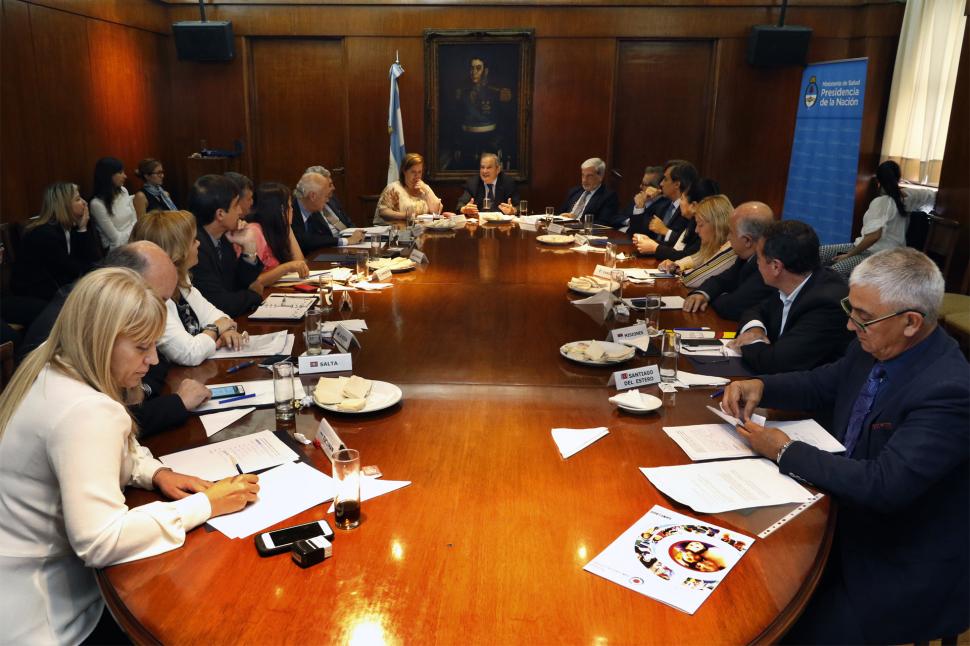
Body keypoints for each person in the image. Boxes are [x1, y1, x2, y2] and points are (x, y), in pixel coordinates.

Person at [0, 267, 260, 645]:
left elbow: (112, 447)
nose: (153, 359)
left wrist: (155, 473)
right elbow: (101, 540)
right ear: (100, 338)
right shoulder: (86, 410)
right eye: (141, 347)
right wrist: (207, 504)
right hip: (50, 619)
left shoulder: (55, 364)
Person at [723, 248, 969, 645]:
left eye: (863, 316)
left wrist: (785, 451)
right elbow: (821, 383)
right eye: (850, 309)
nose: (851, 325)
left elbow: (884, 484)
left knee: (784, 625)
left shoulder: (949, 390)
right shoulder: (876, 344)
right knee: (741, 579)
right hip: (842, 512)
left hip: (896, 555)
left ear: (911, 322)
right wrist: (761, 386)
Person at [19, 242, 214, 435]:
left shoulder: (111, 314)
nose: (162, 311)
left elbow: (159, 364)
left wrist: (137, 387)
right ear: (125, 285)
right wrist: (175, 403)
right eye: (158, 300)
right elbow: (104, 423)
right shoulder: (75, 326)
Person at [729, 220, 852, 374]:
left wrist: (750, 342)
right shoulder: (792, 281)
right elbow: (757, 310)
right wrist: (755, 329)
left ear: (776, 266)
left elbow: (778, 364)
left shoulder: (826, 305)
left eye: (758, 258)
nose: (757, 264)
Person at [132, 210, 247, 366]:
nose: (199, 243)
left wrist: (226, 331)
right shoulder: (150, 294)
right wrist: (215, 330)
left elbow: (218, 316)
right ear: (176, 251)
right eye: (193, 240)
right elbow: (190, 353)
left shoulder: (181, 279)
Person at [683, 201, 777, 320]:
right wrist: (702, 294)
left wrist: (712, 297)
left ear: (747, 241)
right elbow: (720, 280)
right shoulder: (746, 257)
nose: (728, 238)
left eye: (731, 232)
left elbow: (732, 306)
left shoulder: (767, 265)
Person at [187, 174, 264, 317]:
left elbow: (240, 284)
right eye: (236, 205)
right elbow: (220, 304)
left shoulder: (222, 237)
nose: (240, 211)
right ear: (220, 214)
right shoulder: (196, 247)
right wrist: (253, 295)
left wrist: (248, 247)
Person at [818, 160, 913, 277]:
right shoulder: (906, 198)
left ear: (878, 179)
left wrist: (849, 255)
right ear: (898, 178)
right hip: (868, 249)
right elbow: (929, 195)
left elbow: (874, 236)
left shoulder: (881, 202)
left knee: (834, 271)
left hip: (877, 255)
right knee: (820, 252)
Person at [12, 182, 102, 300]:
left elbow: (93, 262)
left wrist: (82, 228)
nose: (85, 203)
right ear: (64, 205)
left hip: (59, 289)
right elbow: (73, 270)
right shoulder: (45, 234)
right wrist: (82, 229)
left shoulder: (70, 227)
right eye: (78, 199)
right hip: (33, 296)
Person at [658, 194, 737, 288]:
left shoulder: (732, 247)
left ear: (716, 225)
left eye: (700, 224)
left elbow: (692, 279)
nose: (696, 230)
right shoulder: (714, 244)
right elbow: (697, 258)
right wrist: (676, 265)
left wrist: (677, 270)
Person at [450, 56, 514, 171]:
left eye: (478, 68)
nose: (474, 72)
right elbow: (457, 120)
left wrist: (496, 143)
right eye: (472, 68)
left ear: (485, 71)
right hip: (467, 142)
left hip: (489, 141)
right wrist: (457, 144)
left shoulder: (496, 93)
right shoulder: (461, 93)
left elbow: (504, 122)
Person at [636, 178, 720, 260]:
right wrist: (649, 242)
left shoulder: (706, 229)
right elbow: (675, 245)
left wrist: (655, 248)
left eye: (682, 199)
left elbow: (687, 256)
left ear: (694, 205)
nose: (680, 203)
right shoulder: (691, 221)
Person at [247, 182, 310, 285]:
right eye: (289, 206)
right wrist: (286, 267)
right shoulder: (253, 232)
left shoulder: (276, 229)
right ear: (279, 209)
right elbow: (253, 281)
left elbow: (299, 262)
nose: (292, 210)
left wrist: (288, 226)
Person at [291, 172, 362, 252]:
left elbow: (322, 238)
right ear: (312, 196)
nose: (328, 200)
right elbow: (306, 241)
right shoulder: (291, 212)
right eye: (326, 196)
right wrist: (347, 241)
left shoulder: (312, 208)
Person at [629, 160, 698, 242]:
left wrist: (666, 231)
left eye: (665, 179)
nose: (661, 184)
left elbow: (686, 244)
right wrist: (639, 207)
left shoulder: (690, 212)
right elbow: (636, 235)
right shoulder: (662, 206)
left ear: (677, 184)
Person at [375, 153, 443, 224]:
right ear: (404, 171)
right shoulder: (393, 188)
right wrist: (404, 215)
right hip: (399, 228)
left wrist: (426, 190)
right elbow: (383, 211)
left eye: (419, 172)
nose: (417, 176)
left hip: (424, 228)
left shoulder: (425, 188)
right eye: (413, 172)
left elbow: (436, 212)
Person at [89, 156, 137, 250]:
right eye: (120, 172)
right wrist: (135, 229)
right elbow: (116, 240)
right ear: (108, 176)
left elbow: (134, 218)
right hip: (117, 250)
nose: (125, 176)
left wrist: (135, 228)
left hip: (134, 241)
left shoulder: (123, 191)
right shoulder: (96, 204)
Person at [558, 157, 621, 227]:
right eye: (583, 175)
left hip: (584, 231)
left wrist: (575, 221)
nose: (584, 180)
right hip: (563, 228)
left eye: (589, 176)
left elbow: (603, 223)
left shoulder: (608, 196)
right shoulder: (574, 191)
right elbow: (561, 213)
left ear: (601, 177)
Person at [616, 165, 663, 230]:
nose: (640, 186)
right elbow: (617, 217)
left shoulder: (662, 206)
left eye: (644, 184)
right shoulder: (639, 198)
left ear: (656, 188)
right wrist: (629, 221)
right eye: (641, 183)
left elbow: (644, 229)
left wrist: (639, 208)